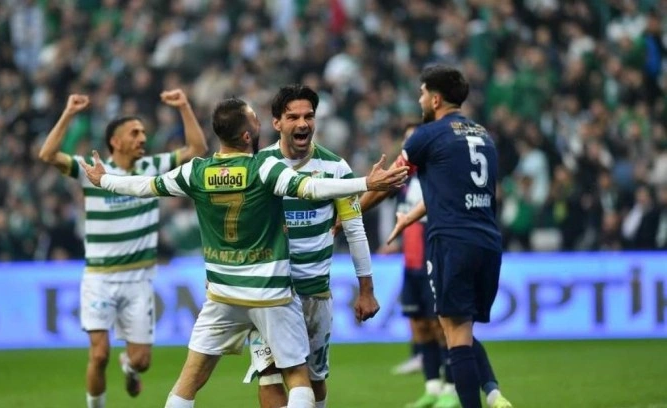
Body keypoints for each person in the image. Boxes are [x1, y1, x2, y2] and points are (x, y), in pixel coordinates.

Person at [78, 97, 409, 408]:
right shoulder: (263, 168)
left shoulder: (196, 171)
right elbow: (311, 187)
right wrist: (366, 183)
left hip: (223, 295)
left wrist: (105, 180)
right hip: (270, 294)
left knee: (188, 381)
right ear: (248, 134)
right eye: (255, 119)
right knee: (298, 377)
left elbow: (145, 186)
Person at [38, 89, 208, 408]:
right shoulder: (92, 170)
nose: (143, 137)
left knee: (142, 361)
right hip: (99, 278)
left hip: (138, 279)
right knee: (99, 354)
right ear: (115, 141)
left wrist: (185, 106)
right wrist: (69, 113)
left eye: (143, 132)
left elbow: (197, 149)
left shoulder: (153, 166)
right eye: (135, 133)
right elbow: (47, 155)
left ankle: (129, 367)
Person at [244, 84, 381, 408]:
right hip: (270, 292)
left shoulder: (336, 168)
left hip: (315, 292)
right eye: (293, 117)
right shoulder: (258, 165)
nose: (303, 123)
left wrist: (366, 290)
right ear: (277, 123)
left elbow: (355, 230)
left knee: (315, 378)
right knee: (269, 374)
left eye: (308, 116)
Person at [388, 65, 513, 408]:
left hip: (451, 242)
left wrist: (348, 213)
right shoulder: (482, 134)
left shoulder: (429, 136)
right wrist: (409, 219)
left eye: (422, 93)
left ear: (435, 98)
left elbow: (387, 182)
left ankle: (478, 396)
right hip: (486, 239)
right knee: (459, 329)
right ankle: (491, 393)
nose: (419, 99)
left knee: (454, 331)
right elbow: (454, 192)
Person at [357, 123, 458, 408]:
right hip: (410, 264)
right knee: (420, 325)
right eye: (406, 140)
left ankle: (451, 389)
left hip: (433, 262)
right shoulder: (405, 182)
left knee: (440, 326)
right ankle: (432, 388)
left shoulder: (436, 177)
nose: (409, 145)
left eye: (413, 139)